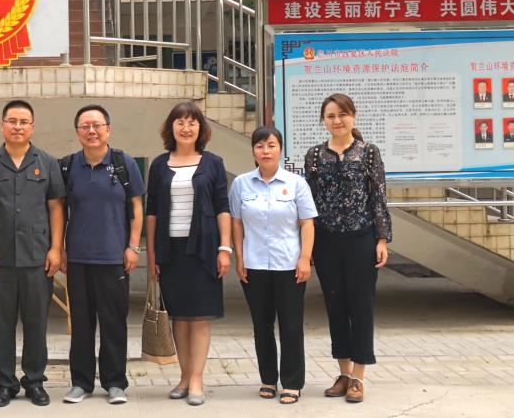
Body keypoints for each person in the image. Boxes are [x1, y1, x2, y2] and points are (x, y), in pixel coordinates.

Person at [0, 99, 66, 408]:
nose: (17, 126)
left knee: (36, 323)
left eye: (23, 122)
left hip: (37, 258)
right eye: (12, 121)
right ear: (2, 125)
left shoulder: (48, 162)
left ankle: (35, 381)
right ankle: (5, 384)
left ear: (32, 127)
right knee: (2, 325)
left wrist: (56, 248)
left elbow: (56, 208)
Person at [304, 93, 392, 404]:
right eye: (330, 116)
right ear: (323, 121)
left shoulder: (368, 153)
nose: (337, 120)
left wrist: (382, 239)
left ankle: (358, 377)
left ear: (353, 116)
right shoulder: (315, 155)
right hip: (326, 241)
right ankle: (343, 372)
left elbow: (378, 197)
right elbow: (309, 203)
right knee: (335, 305)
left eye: (342, 114)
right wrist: (307, 246)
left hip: (361, 239)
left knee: (361, 305)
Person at [145, 101, 232, 406]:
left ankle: (197, 380)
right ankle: (183, 377)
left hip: (204, 250)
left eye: (192, 122)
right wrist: (152, 255)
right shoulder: (159, 165)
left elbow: (223, 207)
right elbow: (152, 212)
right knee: (179, 318)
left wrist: (224, 248)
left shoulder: (213, 163)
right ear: (171, 128)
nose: (186, 127)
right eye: (180, 122)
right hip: (171, 251)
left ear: (200, 128)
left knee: (200, 317)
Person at [59, 105, 144, 405]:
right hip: (78, 258)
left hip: (114, 258)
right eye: (85, 126)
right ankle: (81, 382)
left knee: (113, 322)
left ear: (108, 129)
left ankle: (115, 382)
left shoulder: (123, 163)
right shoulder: (68, 166)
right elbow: (59, 212)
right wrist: (60, 248)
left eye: (97, 125)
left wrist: (133, 246)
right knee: (81, 324)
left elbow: (136, 207)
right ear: (77, 132)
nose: (91, 131)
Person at [230, 127, 317, 405]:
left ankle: (292, 383)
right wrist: (239, 258)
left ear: (280, 149)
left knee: (291, 326)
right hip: (254, 265)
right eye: (259, 146)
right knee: (262, 325)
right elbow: (236, 223)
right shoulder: (241, 184)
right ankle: (268, 379)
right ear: (253, 151)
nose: (265, 151)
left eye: (271, 145)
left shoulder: (296, 183)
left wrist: (305, 258)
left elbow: (307, 223)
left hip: (288, 265)